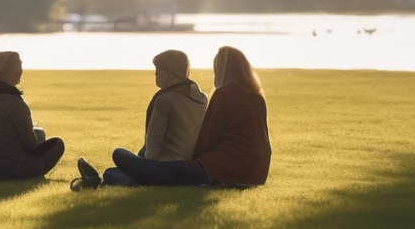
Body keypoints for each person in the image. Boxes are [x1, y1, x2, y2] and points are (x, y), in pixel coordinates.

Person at [75, 46, 270, 189]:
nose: (214, 75)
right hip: (257, 173)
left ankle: (107, 177)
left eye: (216, 70)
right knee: (133, 173)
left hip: (221, 168)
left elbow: (209, 135)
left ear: (225, 70)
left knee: (120, 156)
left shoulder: (225, 94)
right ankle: (111, 176)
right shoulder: (256, 96)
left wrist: (191, 162)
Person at [79, 50, 207, 189]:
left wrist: (145, 170)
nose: (156, 74)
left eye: (157, 70)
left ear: (166, 74)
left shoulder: (164, 100)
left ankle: (113, 179)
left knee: (117, 156)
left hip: (165, 167)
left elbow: (153, 142)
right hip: (189, 167)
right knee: (134, 157)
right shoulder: (201, 98)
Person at [0, 51, 64, 180]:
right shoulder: (15, 103)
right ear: (4, 74)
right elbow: (32, 146)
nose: (18, 80)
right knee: (57, 144)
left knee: (38, 132)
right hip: (11, 170)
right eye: (16, 74)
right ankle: (33, 174)